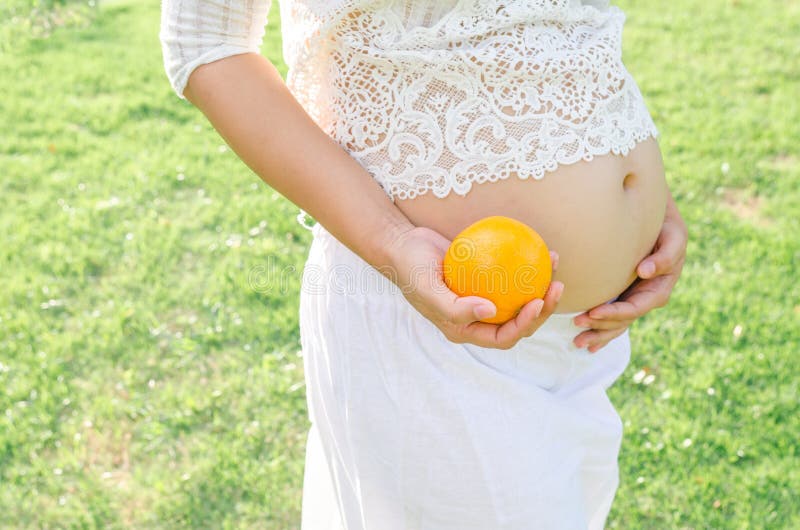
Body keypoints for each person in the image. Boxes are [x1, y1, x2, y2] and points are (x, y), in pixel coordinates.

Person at [160, 1, 688, 528]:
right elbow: (206, 43)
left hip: (584, 342)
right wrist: (392, 241)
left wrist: (644, 196)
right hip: (431, 325)